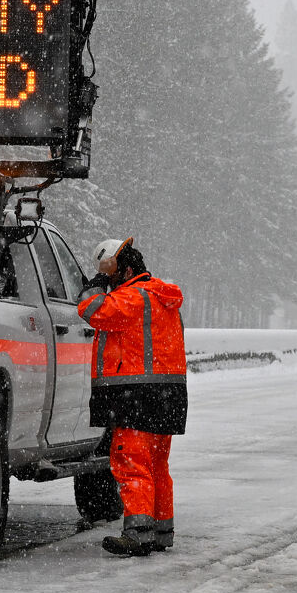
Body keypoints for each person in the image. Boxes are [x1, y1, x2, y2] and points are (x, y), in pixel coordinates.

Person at [77, 236, 187, 557]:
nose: (107, 282)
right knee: (155, 466)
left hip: (135, 394)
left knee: (130, 463)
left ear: (123, 270)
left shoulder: (133, 299)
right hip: (167, 395)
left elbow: (91, 309)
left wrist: (95, 285)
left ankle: (138, 533)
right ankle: (161, 531)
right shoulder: (161, 298)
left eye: (110, 275)